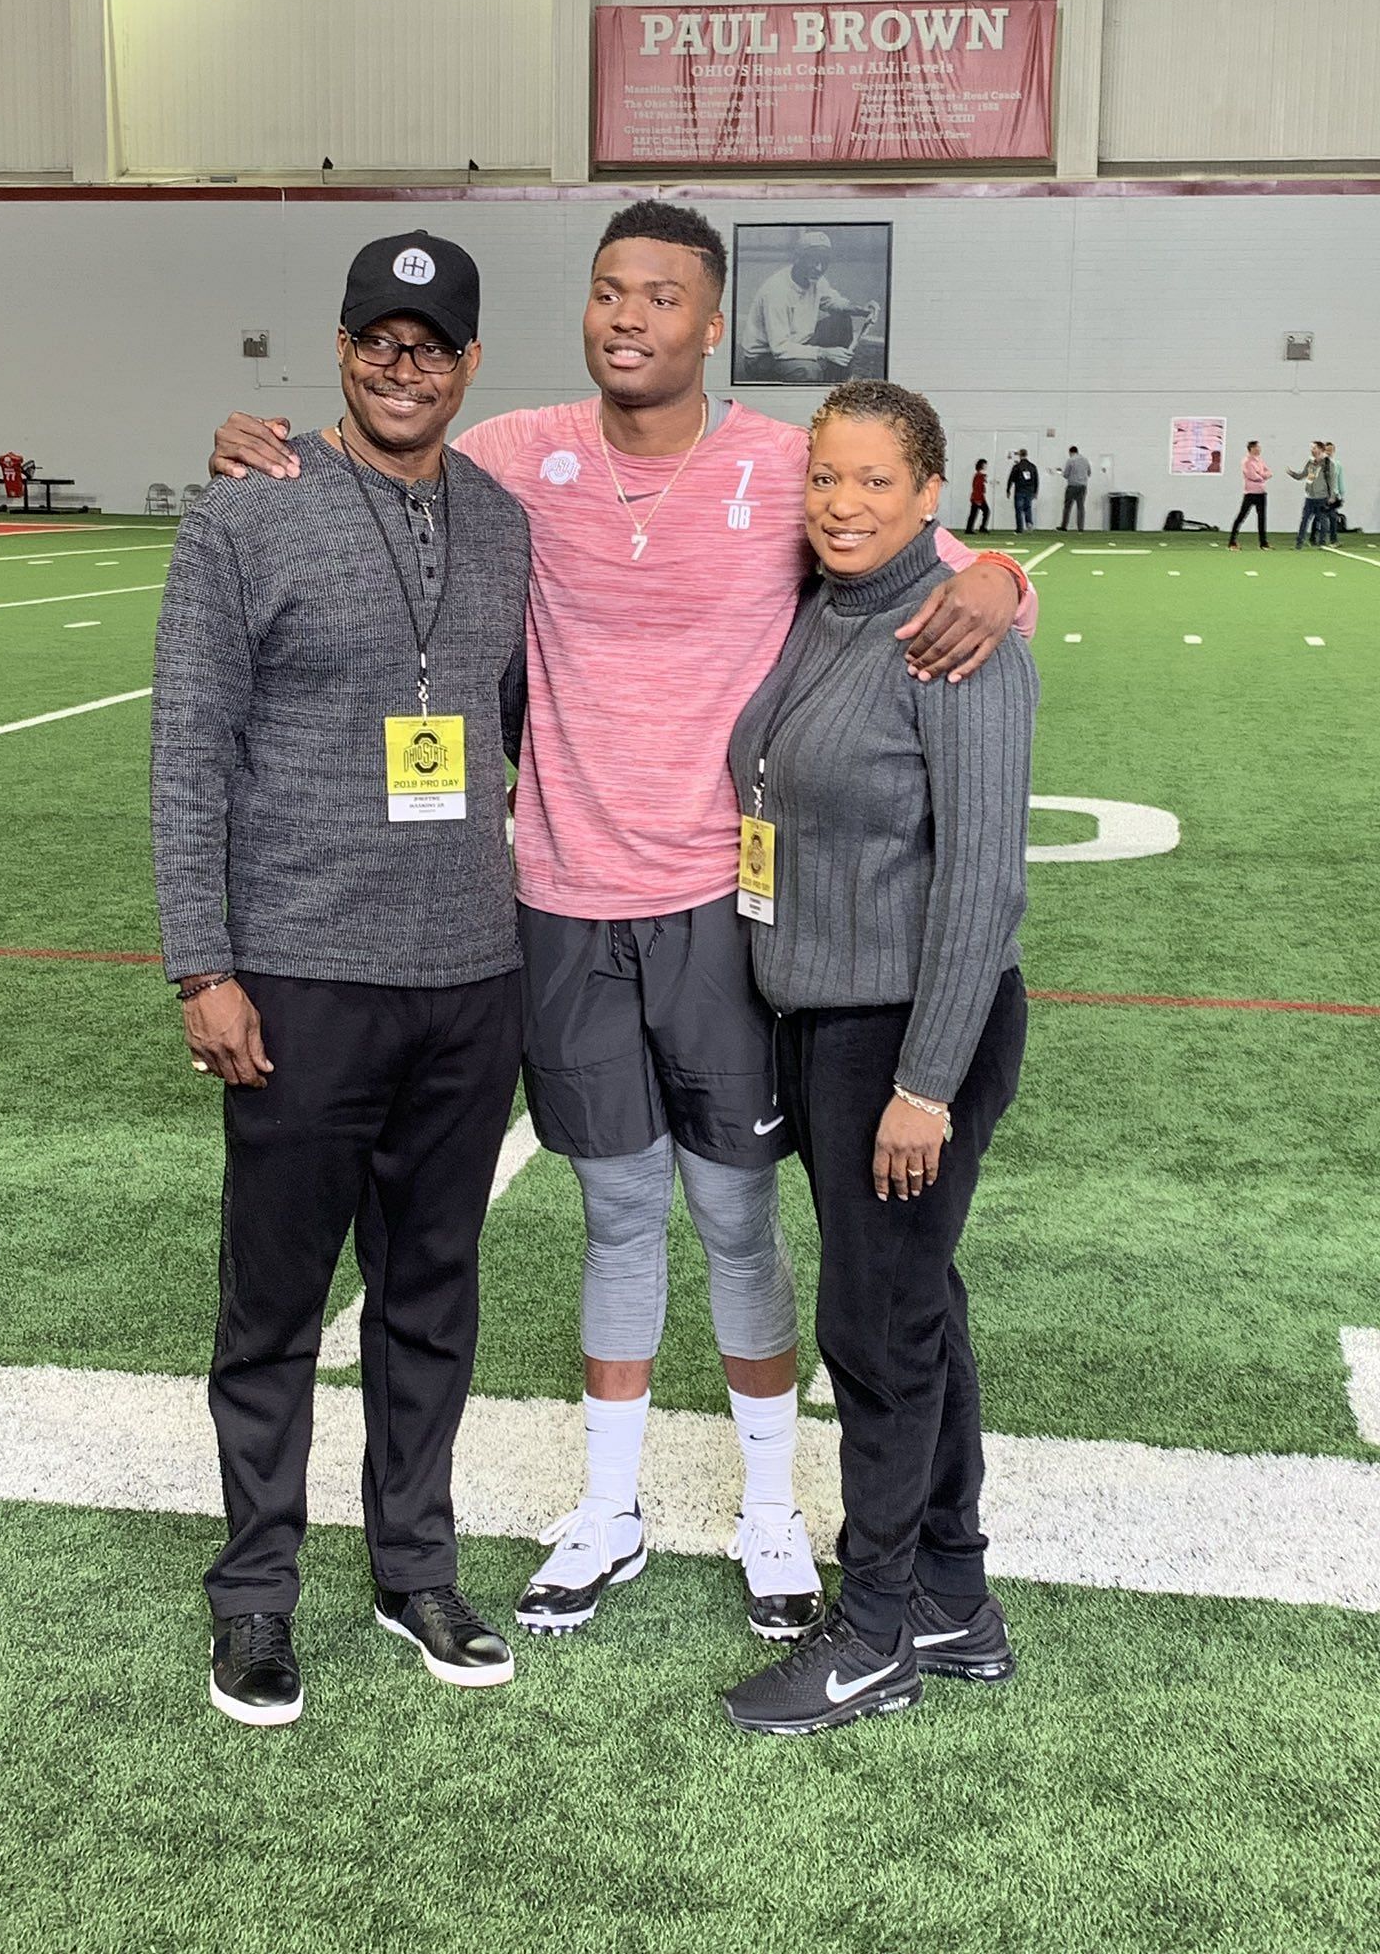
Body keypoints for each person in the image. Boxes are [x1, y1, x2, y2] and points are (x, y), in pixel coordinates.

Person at [207, 200, 1035, 1657]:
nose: (630, 316)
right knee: (613, 1212)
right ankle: (610, 1508)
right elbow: (373, 459)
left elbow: (943, 562)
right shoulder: (519, 452)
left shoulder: (788, 468)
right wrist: (258, 448)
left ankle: (774, 1512)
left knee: (734, 1217)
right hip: (558, 899)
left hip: (724, 907)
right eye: (607, 292)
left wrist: (1001, 576)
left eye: (663, 295)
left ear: (714, 323)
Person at [152, 230, 530, 1727]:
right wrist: (204, 965)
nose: (401, 365)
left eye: (430, 346)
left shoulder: (504, 523)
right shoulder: (245, 516)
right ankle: (254, 1596)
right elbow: (191, 754)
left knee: (432, 1296)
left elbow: (502, 720)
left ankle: (412, 1565)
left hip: (467, 975)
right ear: (342, 347)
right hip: (300, 978)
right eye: (377, 339)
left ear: (470, 366)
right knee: (276, 1309)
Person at [723, 379, 1037, 1734]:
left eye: (873, 483)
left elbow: (981, 885)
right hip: (827, 1023)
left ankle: (873, 1635)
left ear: (930, 496)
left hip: (909, 1033)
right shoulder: (829, 607)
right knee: (918, 1306)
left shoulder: (954, 636)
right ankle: (957, 1598)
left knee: (878, 1328)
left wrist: (923, 1084)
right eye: (824, 478)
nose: (842, 504)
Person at [738, 229, 879, 384]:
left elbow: (832, 301)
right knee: (808, 371)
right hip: (763, 358)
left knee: (841, 320)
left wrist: (859, 310)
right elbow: (780, 348)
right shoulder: (777, 292)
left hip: (799, 342)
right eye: (813, 260)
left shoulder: (816, 279)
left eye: (824, 261)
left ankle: (837, 383)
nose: (819, 268)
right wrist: (824, 353)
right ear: (797, 258)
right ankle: (815, 383)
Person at [1289, 441, 1336, 549]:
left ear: (1320, 449)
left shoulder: (1328, 464)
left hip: (1322, 497)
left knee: (1323, 520)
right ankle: (1299, 543)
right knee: (1304, 520)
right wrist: (1293, 474)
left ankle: (1322, 543)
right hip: (1309, 497)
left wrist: (1332, 495)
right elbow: (1303, 475)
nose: (1312, 450)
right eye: (1311, 448)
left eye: (1314, 448)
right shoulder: (1310, 463)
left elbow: (1332, 480)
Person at [1228, 441, 1271, 550]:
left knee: (1262, 519)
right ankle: (1232, 542)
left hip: (1261, 493)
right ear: (1251, 448)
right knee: (1241, 517)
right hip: (1250, 493)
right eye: (1257, 447)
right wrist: (1262, 476)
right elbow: (1252, 476)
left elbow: (1269, 472)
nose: (1259, 449)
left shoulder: (1260, 460)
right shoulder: (1246, 461)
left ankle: (1263, 543)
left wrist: (1261, 475)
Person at [1058, 446, 1090, 531]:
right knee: (1080, 507)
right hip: (1083, 486)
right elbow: (1089, 473)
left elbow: (1066, 475)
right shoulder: (1085, 460)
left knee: (1067, 506)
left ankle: (1064, 526)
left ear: (1071, 452)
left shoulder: (1070, 460)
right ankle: (1080, 528)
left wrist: (1061, 472)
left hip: (1072, 486)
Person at [1006, 449, 1038, 532]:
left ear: (1020, 455)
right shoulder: (1032, 466)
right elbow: (1036, 480)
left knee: (1019, 509)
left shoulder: (1017, 467)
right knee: (1028, 507)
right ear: (1026, 455)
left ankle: (1020, 528)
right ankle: (1029, 523)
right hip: (1029, 490)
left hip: (1019, 490)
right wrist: (1035, 491)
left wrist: (1008, 490)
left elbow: (1011, 479)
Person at [1323, 441, 1344, 546]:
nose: (1329, 452)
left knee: (1332, 516)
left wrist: (1340, 494)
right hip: (1321, 494)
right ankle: (1315, 538)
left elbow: (1340, 480)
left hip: (1333, 495)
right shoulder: (1320, 464)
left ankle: (1333, 539)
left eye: (1330, 450)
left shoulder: (1337, 464)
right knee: (1319, 517)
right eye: (1327, 450)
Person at [965, 459, 990, 536]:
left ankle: (973, 528)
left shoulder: (979, 476)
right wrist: (978, 499)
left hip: (979, 497)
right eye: (985, 464)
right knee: (978, 513)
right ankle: (971, 528)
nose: (986, 466)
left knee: (980, 512)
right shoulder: (979, 476)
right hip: (978, 497)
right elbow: (977, 488)